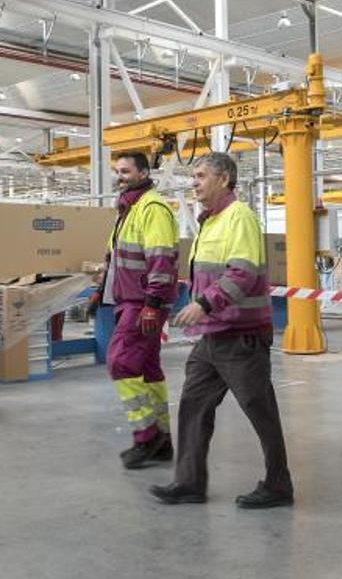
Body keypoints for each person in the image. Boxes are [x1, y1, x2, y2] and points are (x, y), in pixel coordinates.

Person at [150, 152, 294, 509]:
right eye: (193, 176)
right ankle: (189, 482)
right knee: (193, 406)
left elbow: (242, 273)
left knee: (259, 410)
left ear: (224, 179)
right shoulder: (209, 223)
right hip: (212, 335)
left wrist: (203, 304)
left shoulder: (238, 218)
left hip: (241, 338)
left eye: (200, 176)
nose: (194, 182)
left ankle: (278, 485)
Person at [88, 151, 180, 469]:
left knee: (121, 362)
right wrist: (100, 291)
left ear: (143, 173)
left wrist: (153, 304)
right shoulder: (127, 209)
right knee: (148, 368)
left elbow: (161, 258)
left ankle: (147, 436)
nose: (120, 175)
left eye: (126, 171)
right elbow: (113, 258)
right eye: (117, 170)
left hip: (143, 303)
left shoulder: (152, 208)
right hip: (128, 299)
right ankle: (164, 440)